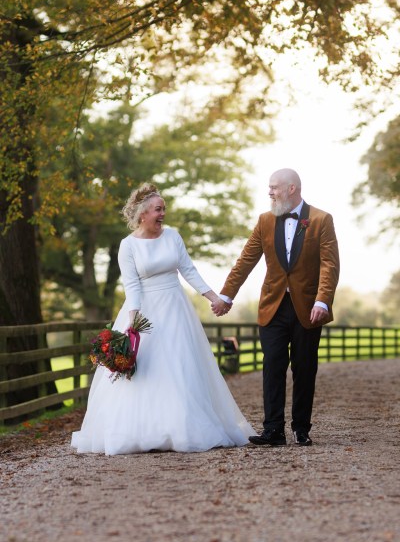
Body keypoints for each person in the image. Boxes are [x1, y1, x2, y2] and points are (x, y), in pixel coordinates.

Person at [71, 183, 255, 455]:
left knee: (181, 365)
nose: (162, 214)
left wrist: (213, 297)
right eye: (158, 209)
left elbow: (188, 270)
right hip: (145, 311)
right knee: (149, 367)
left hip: (176, 308)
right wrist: (133, 323)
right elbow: (132, 286)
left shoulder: (173, 237)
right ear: (143, 213)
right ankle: (145, 429)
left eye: (164, 209)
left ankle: (183, 426)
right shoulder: (128, 246)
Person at [212, 168, 340, 447]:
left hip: (308, 308)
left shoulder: (321, 220)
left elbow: (330, 265)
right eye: (269, 188)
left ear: (292, 188)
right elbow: (246, 260)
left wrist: (322, 300)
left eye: (274, 187)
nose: (269, 192)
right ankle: (273, 430)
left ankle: (301, 428)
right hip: (273, 306)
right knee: (272, 365)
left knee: (305, 367)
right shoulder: (264, 221)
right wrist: (226, 296)